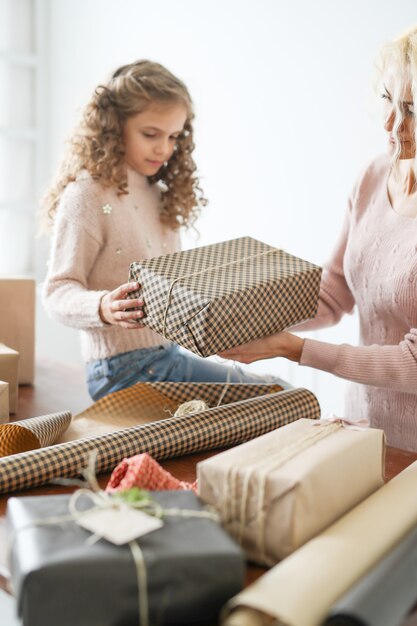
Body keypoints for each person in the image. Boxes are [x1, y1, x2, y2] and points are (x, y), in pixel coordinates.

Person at [221, 25, 417, 452]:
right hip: (362, 426)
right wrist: (242, 315)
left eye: (412, 109)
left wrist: (294, 349)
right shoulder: (373, 176)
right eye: (387, 98)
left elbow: (413, 363)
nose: (390, 123)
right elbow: (334, 294)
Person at [42, 60, 286, 400]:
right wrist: (103, 307)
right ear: (113, 127)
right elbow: (57, 293)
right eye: (151, 134)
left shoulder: (158, 195)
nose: (164, 149)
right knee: (277, 395)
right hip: (121, 372)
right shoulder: (87, 194)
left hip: (166, 358)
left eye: (173, 137)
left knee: (279, 391)